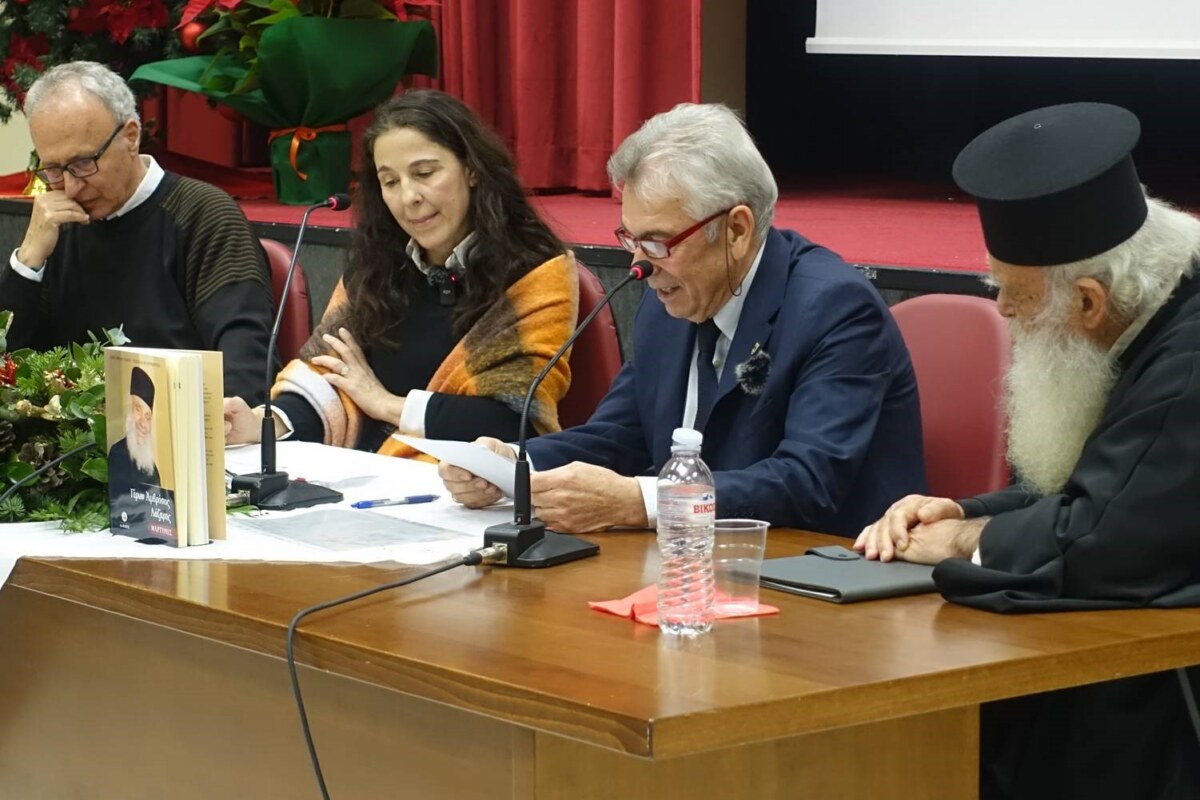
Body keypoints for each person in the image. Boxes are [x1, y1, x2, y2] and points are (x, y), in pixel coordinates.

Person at [854, 102, 1200, 800]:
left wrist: (965, 541)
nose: (1004, 313)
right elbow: (1099, 485)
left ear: (1090, 302)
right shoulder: (1149, 309)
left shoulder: (1188, 365)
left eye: (1015, 295)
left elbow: (1105, 540)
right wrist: (963, 510)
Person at [440, 102, 926, 536]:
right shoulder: (669, 298)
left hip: (820, 570)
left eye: (657, 241)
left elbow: (808, 482)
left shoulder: (836, 309)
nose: (640, 264)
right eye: (630, 238)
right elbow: (622, 435)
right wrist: (513, 463)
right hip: (699, 561)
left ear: (736, 229)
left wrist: (640, 503)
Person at [223, 90, 578, 453]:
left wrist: (387, 405)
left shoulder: (535, 270)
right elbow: (328, 376)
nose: (409, 197)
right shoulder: (377, 264)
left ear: (471, 169)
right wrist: (266, 424)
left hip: (467, 482)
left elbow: (516, 418)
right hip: (368, 475)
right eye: (390, 182)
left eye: (424, 173)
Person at [0, 62, 274, 404]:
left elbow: (245, 373)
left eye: (83, 163)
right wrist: (28, 261)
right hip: (71, 432)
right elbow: (11, 368)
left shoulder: (204, 216)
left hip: (182, 427)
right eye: (54, 169)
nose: (70, 187)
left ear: (131, 136)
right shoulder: (57, 226)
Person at [107, 366, 161, 488]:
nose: (143, 423)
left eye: (147, 416)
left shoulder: (151, 467)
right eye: (138, 409)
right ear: (129, 408)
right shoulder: (118, 453)